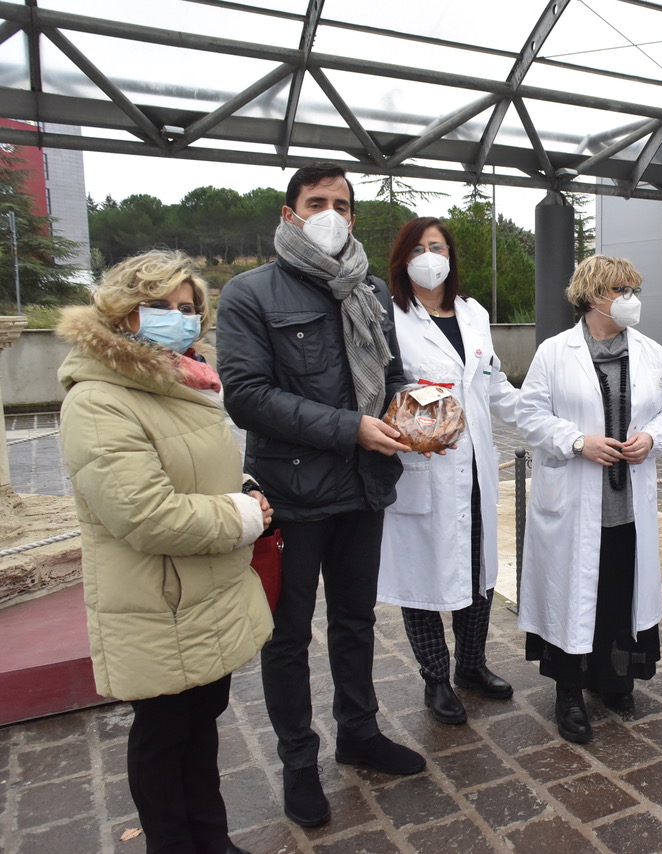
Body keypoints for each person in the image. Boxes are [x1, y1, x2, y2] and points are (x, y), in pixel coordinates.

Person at [217, 162, 424, 829]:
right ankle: (299, 764)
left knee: (357, 622)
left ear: (354, 217)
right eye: (315, 202)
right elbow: (247, 396)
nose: (330, 212)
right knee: (288, 637)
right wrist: (351, 428)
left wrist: (418, 414)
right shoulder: (250, 293)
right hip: (293, 494)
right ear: (289, 214)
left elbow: (391, 375)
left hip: (364, 487)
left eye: (341, 203)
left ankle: (358, 734)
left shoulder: (366, 290)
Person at [58, 250, 273, 854]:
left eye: (187, 308)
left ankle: (213, 838)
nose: (176, 319)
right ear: (124, 314)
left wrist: (244, 490)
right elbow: (145, 514)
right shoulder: (100, 400)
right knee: (163, 737)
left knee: (200, 729)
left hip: (201, 593)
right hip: (159, 602)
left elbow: (199, 472)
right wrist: (242, 514)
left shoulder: (180, 382)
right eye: (158, 307)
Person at [516, 255, 662, 744]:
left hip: (630, 505)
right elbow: (530, 415)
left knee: (617, 590)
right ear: (592, 296)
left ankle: (614, 680)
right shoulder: (554, 352)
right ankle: (569, 691)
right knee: (573, 595)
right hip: (573, 501)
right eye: (620, 290)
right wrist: (576, 442)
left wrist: (652, 437)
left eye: (634, 288)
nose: (631, 299)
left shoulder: (651, 353)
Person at [377, 217, 519, 724]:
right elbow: (377, 389)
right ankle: (435, 679)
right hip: (423, 468)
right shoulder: (388, 315)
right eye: (418, 247)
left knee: (476, 573)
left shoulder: (472, 313)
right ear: (402, 259)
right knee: (424, 579)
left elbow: (493, 384)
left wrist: (547, 417)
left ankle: (472, 667)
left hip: (475, 467)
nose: (429, 256)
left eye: (437, 246)